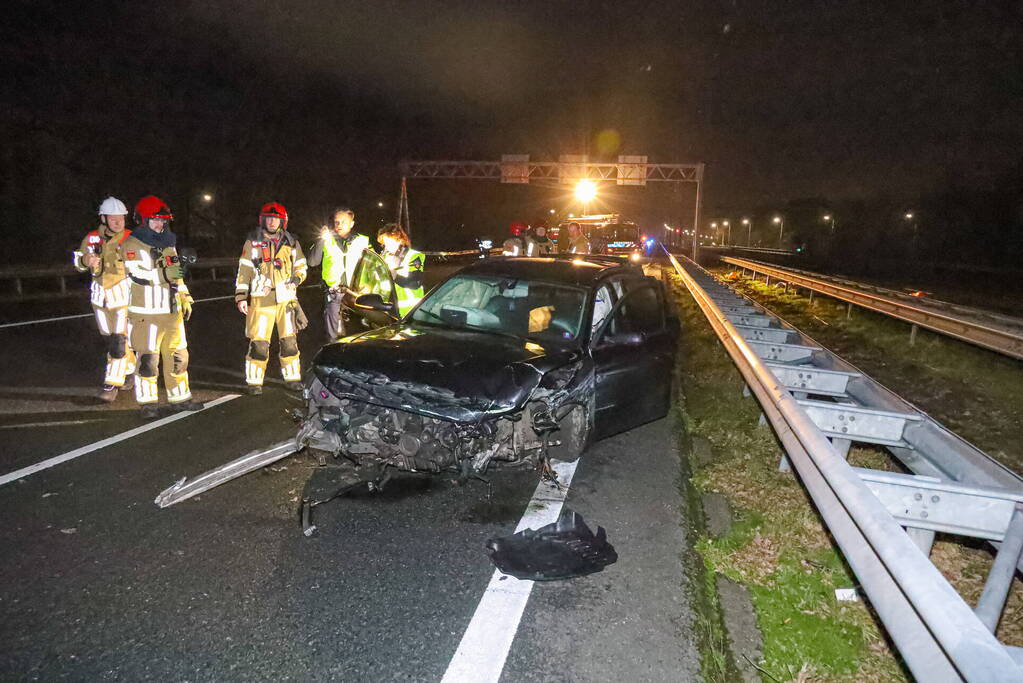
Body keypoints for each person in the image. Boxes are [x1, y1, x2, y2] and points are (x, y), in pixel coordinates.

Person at [120, 196, 200, 419]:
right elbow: (138, 275)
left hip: (171, 312)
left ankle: (180, 398)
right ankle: (148, 403)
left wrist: (184, 294)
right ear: (143, 220)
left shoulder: (168, 244)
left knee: (179, 357)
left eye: (163, 221)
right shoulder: (130, 245)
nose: (160, 225)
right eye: (155, 220)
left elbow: (176, 275)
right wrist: (167, 274)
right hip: (146, 314)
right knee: (148, 360)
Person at [234, 202, 307, 394]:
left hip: (286, 299)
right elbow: (244, 271)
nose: (272, 222)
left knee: (289, 341)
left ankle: (292, 379)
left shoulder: (292, 242)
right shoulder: (252, 242)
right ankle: (254, 382)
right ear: (263, 220)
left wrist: (297, 278)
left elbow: (301, 266)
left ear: (283, 221)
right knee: (259, 343)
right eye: (269, 218)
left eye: (276, 219)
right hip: (260, 299)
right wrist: (241, 297)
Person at [73, 197, 137, 402]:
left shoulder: (131, 238)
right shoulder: (91, 238)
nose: (118, 222)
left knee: (118, 341)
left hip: (123, 294)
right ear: (103, 218)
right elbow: (77, 261)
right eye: (113, 218)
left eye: (121, 218)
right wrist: (85, 260)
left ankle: (111, 385)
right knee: (111, 339)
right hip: (99, 296)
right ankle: (131, 368)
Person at [306, 207, 369, 341]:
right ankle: (333, 352)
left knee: (359, 330)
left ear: (352, 224)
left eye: (343, 222)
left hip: (356, 292)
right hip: (334, 292)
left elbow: (372, 266)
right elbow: (312, 262)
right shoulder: (327, 239)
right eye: (336, 222)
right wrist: (321, 239)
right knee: (332, 333)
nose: (339, 225)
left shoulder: (363, 240)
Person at [377, 223, 425, 316]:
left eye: (390, 242)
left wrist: (395, 276)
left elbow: (415, 283)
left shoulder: (413, 255)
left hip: (410, 310)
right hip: (388, 309)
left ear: (399, 240)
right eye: (385, 243)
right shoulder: (385, 256)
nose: (387, 246)